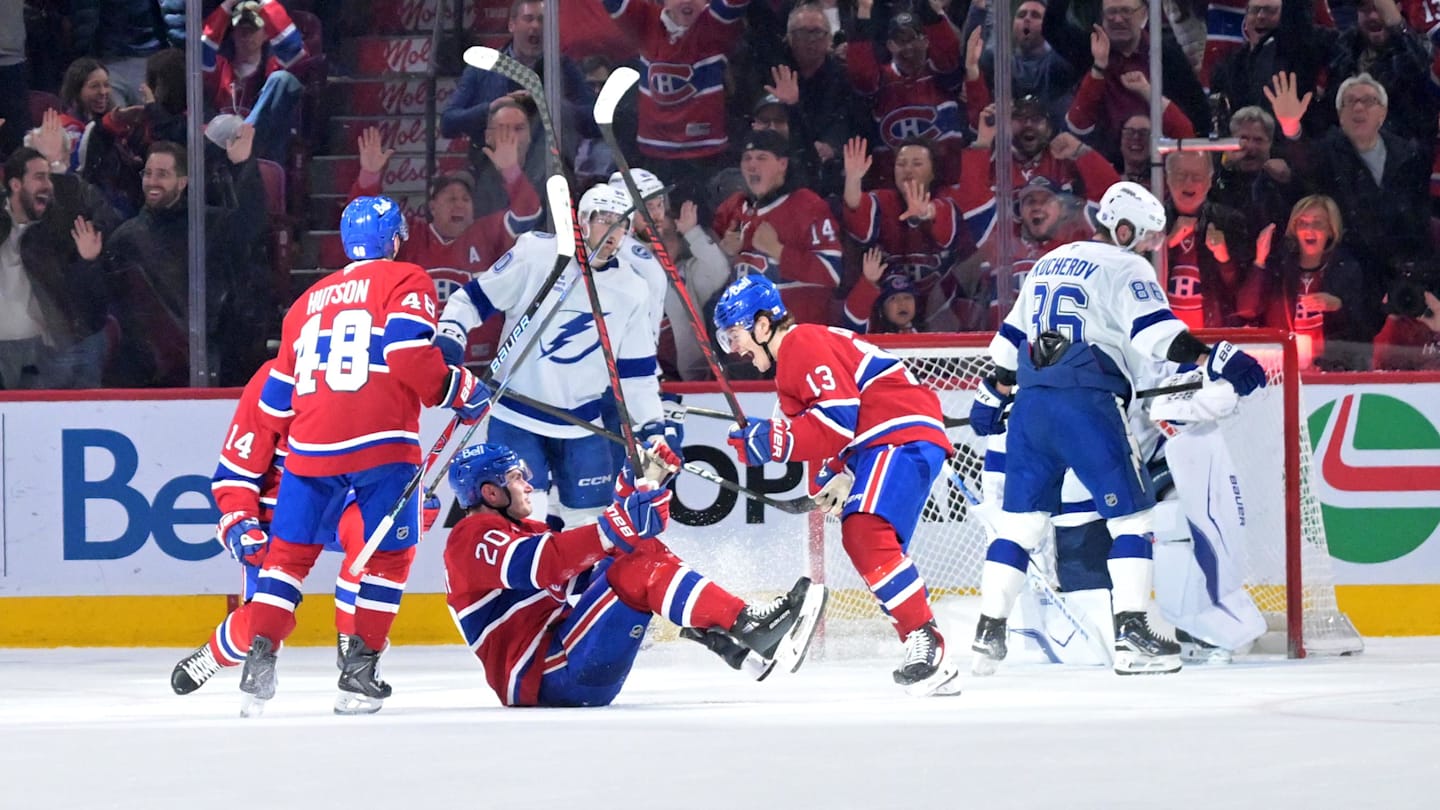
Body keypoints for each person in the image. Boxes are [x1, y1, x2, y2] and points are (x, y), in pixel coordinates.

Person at [967, 181, 1269, 676]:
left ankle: (988, 632)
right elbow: (1157, 335)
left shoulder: (1049, 260)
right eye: (1148, 236)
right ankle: (1133, 635)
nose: (1151, 246)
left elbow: (1008, 346)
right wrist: (1213, 356)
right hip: (1087, 401)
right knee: (1134, 520)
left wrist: (993, 392)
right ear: (1125, 228)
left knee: (1019, 526)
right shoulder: (1127, 265)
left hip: (1030, 404)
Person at [235, 195, 494, 717]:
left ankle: (259, 659)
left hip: (308, 446)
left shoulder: (306, 301)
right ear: (396, 239)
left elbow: (279, 396)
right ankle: (359, 670)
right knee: (388, 558)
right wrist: (457, 389)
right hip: (380, 441)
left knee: (286, 561)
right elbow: (403, 354)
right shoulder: (407, 280)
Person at [713, 273, 962, 697]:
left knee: (864, 531)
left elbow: (837, 420)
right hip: (880, 443)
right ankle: (924, 644)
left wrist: (773, 442)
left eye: (735, 335)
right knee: (864, 537)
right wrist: (831, 473)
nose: (733, 349)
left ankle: (927, 642)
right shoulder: (791, 368)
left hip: (896, 432)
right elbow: (824, 430)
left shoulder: (800, 343)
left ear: (762, 324)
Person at [442, 441, 826, 707]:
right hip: (545, 678)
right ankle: (746, 626)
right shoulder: (470, 538)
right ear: (490, 493)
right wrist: (621, 522)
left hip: (564, 666)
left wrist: (639, 485)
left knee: (635, 553)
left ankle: (733, 629)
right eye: (514, 477)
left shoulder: (521, 531)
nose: (527, 484)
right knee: (636, 562)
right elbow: (544, 565)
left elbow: (591, 569)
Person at [170, 360, 441, 695]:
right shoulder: (276, 379)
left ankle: (355, 644)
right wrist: (240, 522)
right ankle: (216, 653)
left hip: (347, 502)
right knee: (263, 621)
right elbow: (236, 472)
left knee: (375, 542)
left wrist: (408, 501)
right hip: (286, 509)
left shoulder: (378, 370)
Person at [436, 184, 667, 526]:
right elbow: (470, 300)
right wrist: (451, 336)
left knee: (589, 524)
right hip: (516, 415)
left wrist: (652, 426)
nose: (614, 232)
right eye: (605, 220)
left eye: (622, 224)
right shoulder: (537, 254)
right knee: (526, 517)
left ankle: (578, 583)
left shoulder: (632, 288)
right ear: (583, 222)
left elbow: (637, 373)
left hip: (583, 425)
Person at [351, 124, 541, 367]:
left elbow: (528, 214)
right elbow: (363, 228)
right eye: (451, 199)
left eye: (465, 199)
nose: (459, 205)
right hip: (418, 364)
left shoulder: (486, 232)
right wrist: (369, 177)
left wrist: (511, 171)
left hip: (481, 366)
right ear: (432, 206)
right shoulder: (411, 236)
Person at [0, 115, 119, 390]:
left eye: (50, 170)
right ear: (16, 182)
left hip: (54, 345)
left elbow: (61, 221)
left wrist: (56, 170)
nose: (49, 181)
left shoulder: (67, 209)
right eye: (40, 172)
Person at [712, 129, 842, 329]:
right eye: (747, 158)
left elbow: (831, 272)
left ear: (783, 164)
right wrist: (730, 253)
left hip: (801, 340)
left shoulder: (806, 204)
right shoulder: (742, 211)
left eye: (762, 158)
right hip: (753, 346)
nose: (752, 165)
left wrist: (778, 251)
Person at [201, 0, 309, 161]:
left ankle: (242, 140)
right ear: (232, 33)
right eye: (241, 30)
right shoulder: (219, 67)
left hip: (260, 155)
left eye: (253, 30)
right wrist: (227, 5)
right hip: (220, 153)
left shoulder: (274, 67)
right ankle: (238, 144)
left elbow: (295, 50)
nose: (246, 36)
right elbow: (200, 52)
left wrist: (266, 2)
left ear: (266, 34)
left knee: (283, 80)